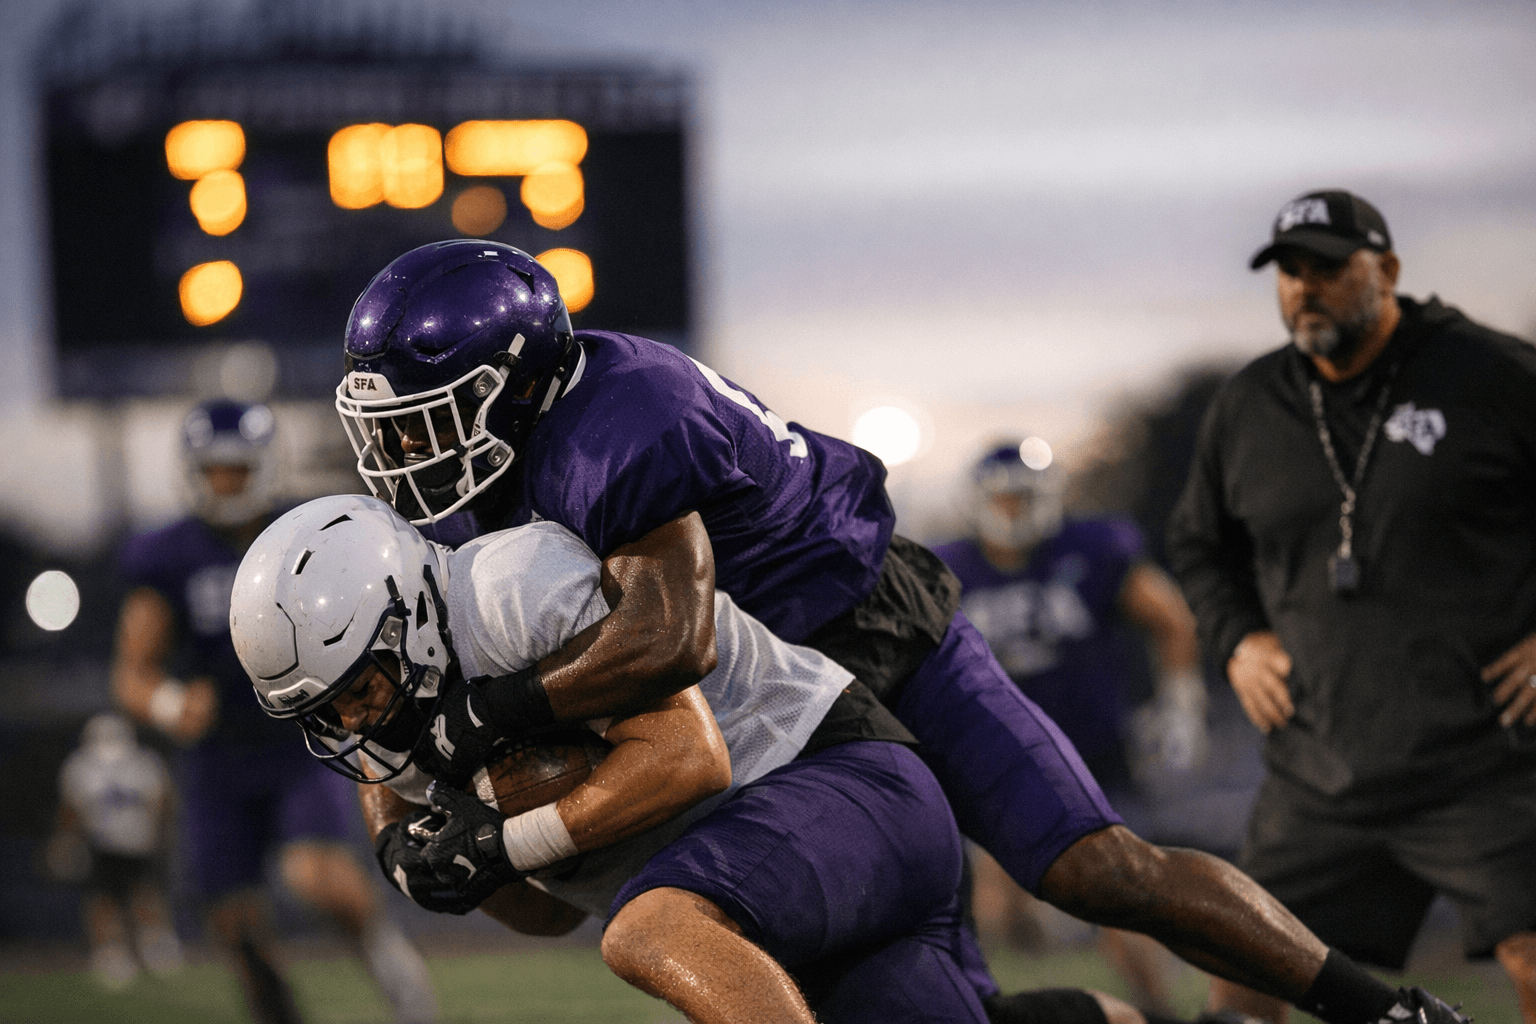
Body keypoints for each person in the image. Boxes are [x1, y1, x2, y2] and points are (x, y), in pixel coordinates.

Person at [331, 237, 1469, 1024]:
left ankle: (1385, 1007)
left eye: (424, 417)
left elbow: (666, 638)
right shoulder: (515, 465)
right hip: (785, 704)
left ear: (517, 380)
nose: (402, 453)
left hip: (869, 631)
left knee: (1096, 866)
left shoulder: (619, 420)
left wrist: (489, 716)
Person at [228, 492, 992, 1024]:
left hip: (836, 779)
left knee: (645, 932)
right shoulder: (391, 707)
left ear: (414, 616)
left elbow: (692, 757)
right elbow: (548, 913)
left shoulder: (508, 592)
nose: (353, 721)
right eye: (323, 712)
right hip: (771, 884)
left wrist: (503, 840)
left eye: (359, 688)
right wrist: (434, 863)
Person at [1166, 188, 1536, 1024]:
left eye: (1328, 268)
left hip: (1489, 761)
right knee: (1241, 977)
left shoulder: (1494, 375)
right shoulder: (1250, 403)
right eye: (1289, 272)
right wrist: (1238, 639)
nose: (1305, 288)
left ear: (1388, 269)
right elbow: (1198, 544)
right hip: (1320, 769)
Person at [111, 398, 438, 1024]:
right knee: (235, 925)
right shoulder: (169, 554)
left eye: (236, 467)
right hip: (217, 756)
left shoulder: (303, 530)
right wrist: (171, 702)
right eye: (213, 469)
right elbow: (131, 674)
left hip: (301, 737)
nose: (225, 481)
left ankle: (391, 965)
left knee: (316, 874)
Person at [934, 439, 1209, 1013]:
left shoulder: (1092, 547)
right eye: (1003, 498)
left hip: (1093, 755)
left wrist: (1182, 699)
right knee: (997, 916)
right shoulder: (948, 569)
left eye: (1023, 497)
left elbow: (1169, 617)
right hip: (1001, 763)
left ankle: (1156, 1012)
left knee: (1120, 901)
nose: (1013, 510)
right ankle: (1060, 986)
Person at [49, 712, 184, 990]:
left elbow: (162, 802)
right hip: (102, 844)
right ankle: (112, 952)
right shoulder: (83, 766)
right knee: (104, 898)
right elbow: (72, 810)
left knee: (142, 892)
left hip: (137, 842)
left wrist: (160, 833)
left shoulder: (142, 763)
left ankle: (154, 945)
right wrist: (67, 840)